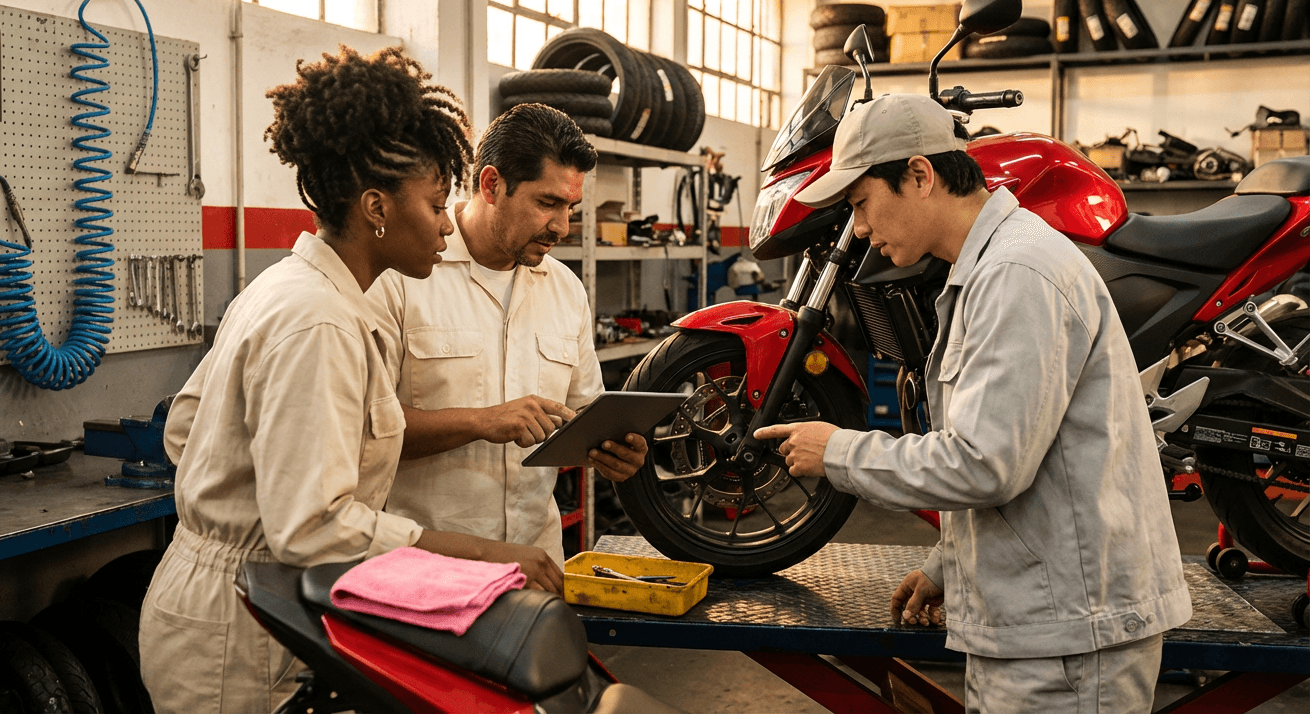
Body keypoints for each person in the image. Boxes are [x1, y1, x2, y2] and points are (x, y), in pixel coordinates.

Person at [139, 47, 562, 714]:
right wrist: (484, 555)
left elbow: (187, 433)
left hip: (248, 595)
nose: (447, 221)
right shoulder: (320, 321)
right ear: (376, 208)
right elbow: (312, 529)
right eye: (432, 202)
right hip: (238, 631)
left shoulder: (297, 289)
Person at [753, 93, 1191, 713]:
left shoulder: (1018, 275)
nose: (859, 230)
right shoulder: (985, 271)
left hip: (1068, 642)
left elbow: (987, 463)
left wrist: (839, 451)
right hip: (1038, 628)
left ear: (920, 175)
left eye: (860, 203)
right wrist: (950, 564)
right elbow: (1030, 459)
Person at [367, 103, 647, 567]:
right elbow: (364, 432)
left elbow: (584, 413)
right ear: (492, 184)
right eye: (548, 203)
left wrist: (614, 450)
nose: (562, 226)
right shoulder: (400, 277)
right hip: (423, 571)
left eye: (570, 207)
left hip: (536, 563)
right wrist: (482, 421)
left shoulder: (564, 289)